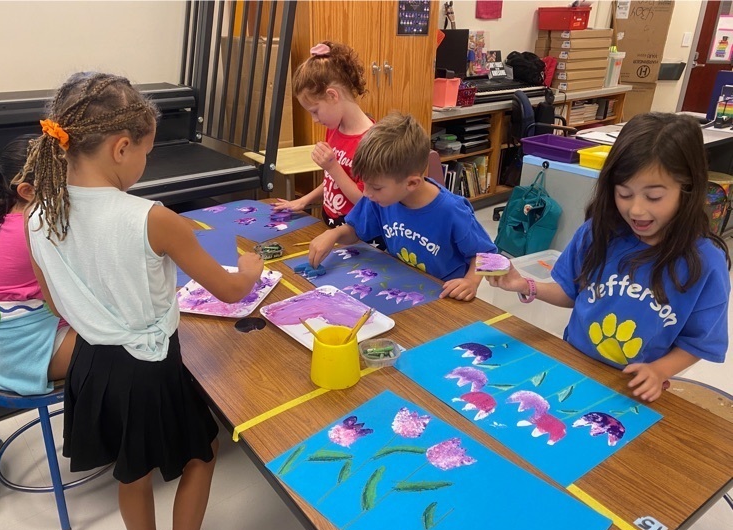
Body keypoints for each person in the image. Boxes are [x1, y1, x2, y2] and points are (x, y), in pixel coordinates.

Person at [24, 72, 264, 530]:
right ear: (121, 147)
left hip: (90, 365)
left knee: (130, 471)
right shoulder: (151, 217)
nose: (144, 163)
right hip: (147, 368)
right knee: (202, 454)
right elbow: (230, 292)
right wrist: (249, 270)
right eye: (146, 153)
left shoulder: (38, 215)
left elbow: (54, 305)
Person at [488, 113, 731, 402]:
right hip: (574, 366)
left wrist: (659, 371)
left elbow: (699, 342)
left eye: (654, 197)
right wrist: (525, 285)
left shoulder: (705, 263)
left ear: (688, 189)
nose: (636, 210)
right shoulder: (597, 232)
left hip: (632, 388)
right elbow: (571, 292)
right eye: (624, 194)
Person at [308, 112, 497, 302]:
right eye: (364, 184)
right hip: (403, 286)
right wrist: (334, 234)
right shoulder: (379, 199)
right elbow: (355, 230)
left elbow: (486, 254)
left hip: (444, 295)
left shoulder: (452, 211)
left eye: (376, 187)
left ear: (412, 183)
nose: (366, 193)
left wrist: (471, 281)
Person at [0, 135, 76, 395]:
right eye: (67, 181)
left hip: (21, 350)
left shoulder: (16, 217)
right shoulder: (35, 227)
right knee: (133, 341)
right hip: (34, 355)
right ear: (27, 191)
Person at [272, 41, 374, 227]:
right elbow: (332, 180)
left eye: (315, 111)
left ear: (333, 95)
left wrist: (333, 167)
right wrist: (304, 201)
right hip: (329, 220)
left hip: (355, 231)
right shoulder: (334, 130)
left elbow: (366, 202)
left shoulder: (372, 143)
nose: (314, 120)